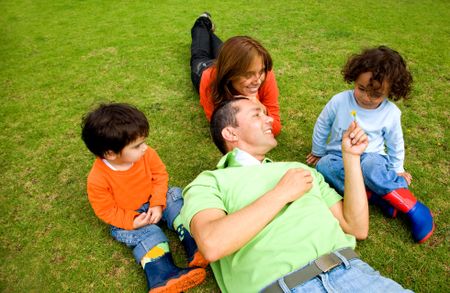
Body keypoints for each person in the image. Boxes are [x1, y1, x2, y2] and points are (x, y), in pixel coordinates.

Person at [180, 98, 412, 292]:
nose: (269, 119)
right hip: (282, 287)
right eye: (257, 115)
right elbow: (212, 243)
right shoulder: (209, 182)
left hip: (355, 274)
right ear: (230, 132)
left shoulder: (299, 169)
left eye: (266, 113)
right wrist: (281, 194)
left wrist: (350, 158)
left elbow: (357, 227)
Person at [306, 46, 434, 243]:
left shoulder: (390, 113)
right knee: (324, 166)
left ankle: (413, 208)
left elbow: (395, 142)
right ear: (354, 79)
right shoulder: (339, 101)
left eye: (375, 94)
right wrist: (318, 150)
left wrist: (397, 168)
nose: (366, 97)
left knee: (370, 168)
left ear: (390, 91)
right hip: (338, 156)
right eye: (361, 89)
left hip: (370, 157)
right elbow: (322, 124)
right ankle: (377, 197)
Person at [81, 103, 207, 292]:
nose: (145, 148)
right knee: (150, 233)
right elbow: (106, 210)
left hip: (153, 199)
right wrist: (133, 221)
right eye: (137, 145)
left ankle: (197, 244)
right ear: (111, 154)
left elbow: (160, 176)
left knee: (174, 197)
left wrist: (157, 203)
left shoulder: (147, 154)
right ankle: (162, 275)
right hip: (129, 215)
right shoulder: (97, 179)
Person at [190, 12, 282, 136]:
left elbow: (275, 128)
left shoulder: (264, 72)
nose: (257, 80)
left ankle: (208, 30)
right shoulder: (210, 79)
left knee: (223, 48)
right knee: (199, 53)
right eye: (249, 74)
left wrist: (261, 108)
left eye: (260, 72)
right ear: (230, 74)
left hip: (230, 59)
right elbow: (217, 126)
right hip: (205, 68)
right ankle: (202, 21)